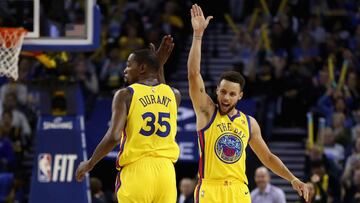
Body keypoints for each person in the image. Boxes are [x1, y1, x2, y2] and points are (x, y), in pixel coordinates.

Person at [187, 4, 309, 203]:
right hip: (210, 189)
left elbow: (268, 158)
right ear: (217, 90)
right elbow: (193, 75)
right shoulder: (207, 111)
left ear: (240, 96)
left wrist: (293, 179)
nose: (226, 98)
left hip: (239, 191)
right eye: (223, 92)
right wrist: (198, 35)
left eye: (232, 94)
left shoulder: (249, 123)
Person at [75, 35, 182, 203]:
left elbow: (114, 136)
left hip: (137, 171)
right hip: (167, 174)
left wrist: (90, 163)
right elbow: (162, 88)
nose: (124, 70)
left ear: (141, 68)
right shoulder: (174, 94)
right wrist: (159, 65)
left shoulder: (125, 95)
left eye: (128, 65)